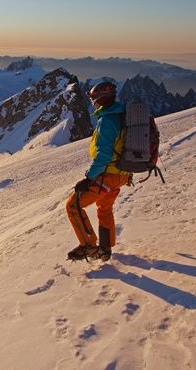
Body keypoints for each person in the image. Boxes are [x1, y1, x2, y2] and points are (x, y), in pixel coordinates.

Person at [65, 81, 132, 262]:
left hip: (108, 175)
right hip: (122, 174)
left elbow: (103, 157)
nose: (92, 102)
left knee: (73, 205)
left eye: (93, 98)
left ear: (98, 100)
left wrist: (88, 179)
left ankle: (89, 246)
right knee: (104, 208)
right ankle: (105, 249)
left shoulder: (107, 121)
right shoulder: (122, 115)